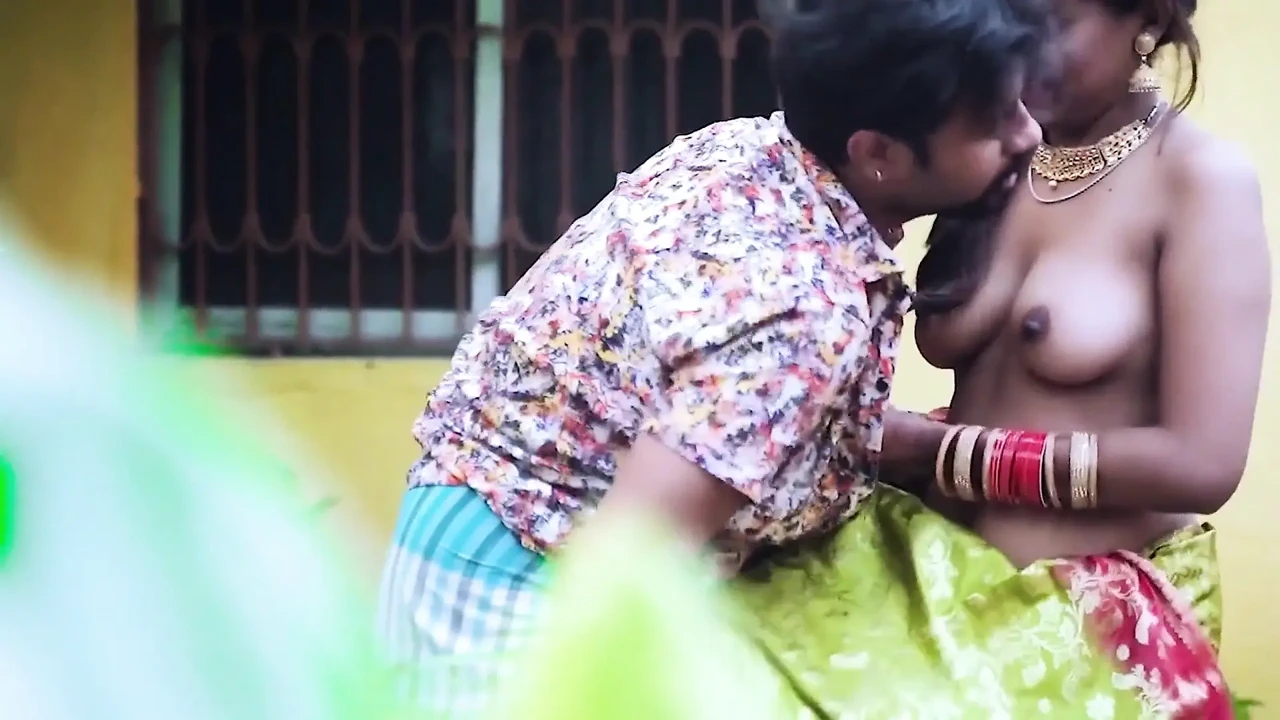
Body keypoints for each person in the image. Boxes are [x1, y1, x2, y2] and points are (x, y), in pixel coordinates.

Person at [376, 0, 1049, 714]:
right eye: (992, 124)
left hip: (470, 523)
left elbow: (712, 414)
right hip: (518, 595)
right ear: (877, 153)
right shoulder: (802, 308)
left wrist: (940, 448)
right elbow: (625, 565)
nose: (1028, 135)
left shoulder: (749, 151)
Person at [733, 0, 1270, 717]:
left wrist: (938, 451)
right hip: (911, 577)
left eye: (1050, 21)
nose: (1019, 45)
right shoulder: (993, 152)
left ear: (1146, 16)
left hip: (1078, 624)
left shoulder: (1202, 181)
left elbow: (1203, 464)